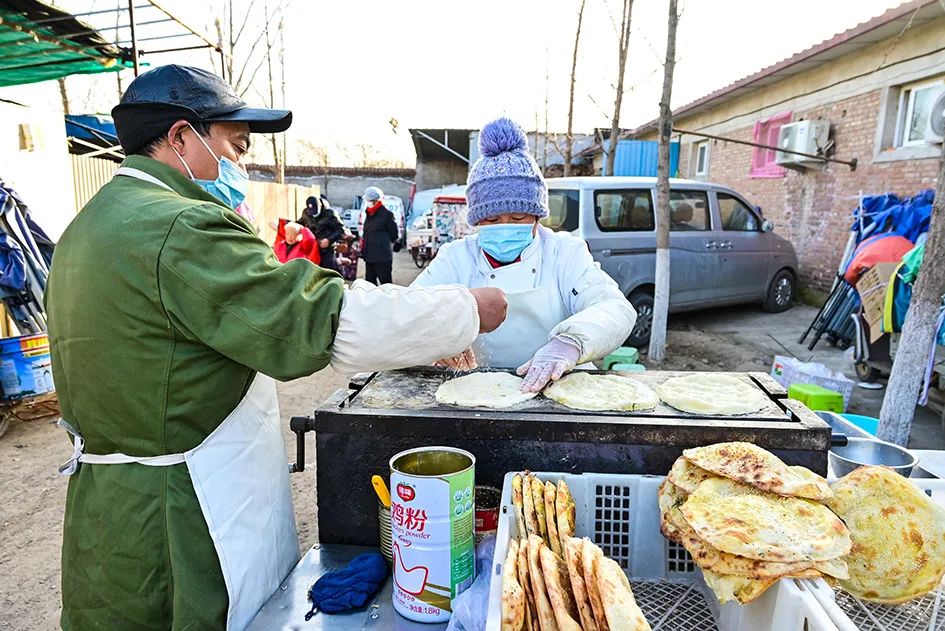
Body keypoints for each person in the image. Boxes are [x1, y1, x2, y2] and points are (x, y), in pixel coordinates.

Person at [45, 64, 508, 631]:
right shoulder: (178, 226)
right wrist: (465, 311)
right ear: (181, 137)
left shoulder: (91, 224)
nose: (241, 166)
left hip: (113, 508)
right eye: (236, 148)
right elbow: (319, 319)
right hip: (180, 513)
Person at [412, 117, 636, 393]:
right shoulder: (456, 258)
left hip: (560, 387)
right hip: (478, 387)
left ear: (537, 217)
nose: (505, 226)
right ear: (476, 220)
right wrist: (439, 337)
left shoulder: (565, 254)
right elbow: (410, 310)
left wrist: (569, 343)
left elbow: (615, 308)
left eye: (518, 218)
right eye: (492, 219)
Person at [360, 186, 399, 284]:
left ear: (376, 201)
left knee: (386, 285)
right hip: (369, 257)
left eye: (369, 200)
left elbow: (394, 234)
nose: (367, 202)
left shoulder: (386, 215)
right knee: (370, 285)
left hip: (382, 257)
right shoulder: (369, 214)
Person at [300, 195, 344, 271]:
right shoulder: (306, 213)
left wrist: (329, 239)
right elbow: (300, 224)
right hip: (312, 248)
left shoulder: (330, 213)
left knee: (328, 270)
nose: (314, 214)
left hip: (327, 249)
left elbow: (340, 230)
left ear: (320, 206)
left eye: (315, 211)